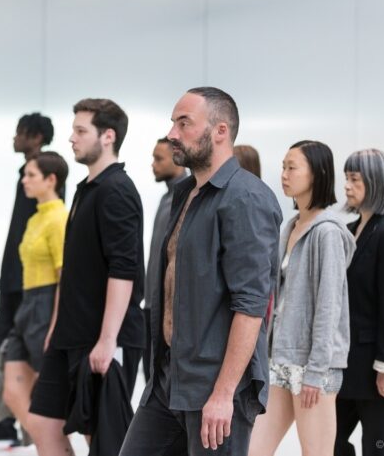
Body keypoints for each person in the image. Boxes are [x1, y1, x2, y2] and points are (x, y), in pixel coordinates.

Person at [119, 87, 282, 456]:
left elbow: (251, 305)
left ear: (220, 131)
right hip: (168, 381)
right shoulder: (185, 194)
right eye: (172, 123)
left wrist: (223, 395)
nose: (172, 134)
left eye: (183, 123)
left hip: (216, 389)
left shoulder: (246, 199)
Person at [28, 98, 145, 456]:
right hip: (69, 334)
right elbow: (73, 270)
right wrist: (55, 326)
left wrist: (108, 340)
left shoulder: (117, 191)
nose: (71, 139)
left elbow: (124, 270)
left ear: (107, 136)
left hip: (103, 337)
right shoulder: (86, 189)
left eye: (81, 131)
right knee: (42, 422)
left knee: (104, 440)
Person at [249, 140, 355, 456]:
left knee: (316, 452)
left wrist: (317, 371)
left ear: (317, 173)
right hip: (281, 359)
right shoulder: (291, 226)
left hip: (314, 366)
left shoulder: (328, 232)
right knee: (252, 449)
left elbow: (329, 305)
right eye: (283, 166)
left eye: (292, 167)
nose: (284, 174)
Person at [0, 112, 54, 449]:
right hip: (14, 282)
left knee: (14, 354)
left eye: (19, 133)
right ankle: (7, 424)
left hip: (24, 286)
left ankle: (12, 425)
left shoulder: (39, 175)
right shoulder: (27, 174)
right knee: (6, 352)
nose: (14, 138)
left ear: (34, 137)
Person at [334, 149, 384, 456]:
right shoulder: (350, 231)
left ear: (376, 183)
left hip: (376, 365)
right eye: (346, 178)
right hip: (346, 363)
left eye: (355, 179)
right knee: (331, 440)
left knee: (379, 447)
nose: (347, 186)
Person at [2, 152, 69, 438]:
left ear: (51, 179)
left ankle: (53, 444)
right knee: (12, 392)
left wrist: (55, 324)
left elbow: (63, 279)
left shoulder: (59, 219)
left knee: (48, 398)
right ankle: (49, 444)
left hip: (45, 304)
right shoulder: (34, 219)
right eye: (24, 174)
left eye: (31, 175)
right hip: (28, 305)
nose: (24, 180)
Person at [143, 137, 188, 382]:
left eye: (158, 159)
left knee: (162, 379)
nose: (153, 164)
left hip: (168, 309)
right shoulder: (165, 199)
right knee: (150, 376)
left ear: (177, 159)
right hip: (151, 305)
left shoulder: (187, 198)